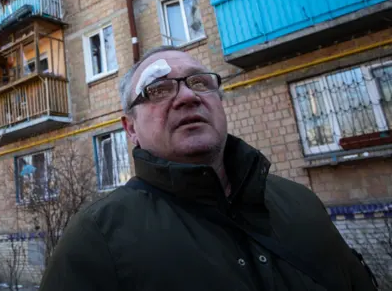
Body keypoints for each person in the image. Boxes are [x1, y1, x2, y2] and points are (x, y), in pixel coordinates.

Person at [40, 46, 377, 290]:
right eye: (158, 89)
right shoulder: (97, 237)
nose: (188, 96)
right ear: (130, 129)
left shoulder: (301, 202)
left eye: (200, 82)